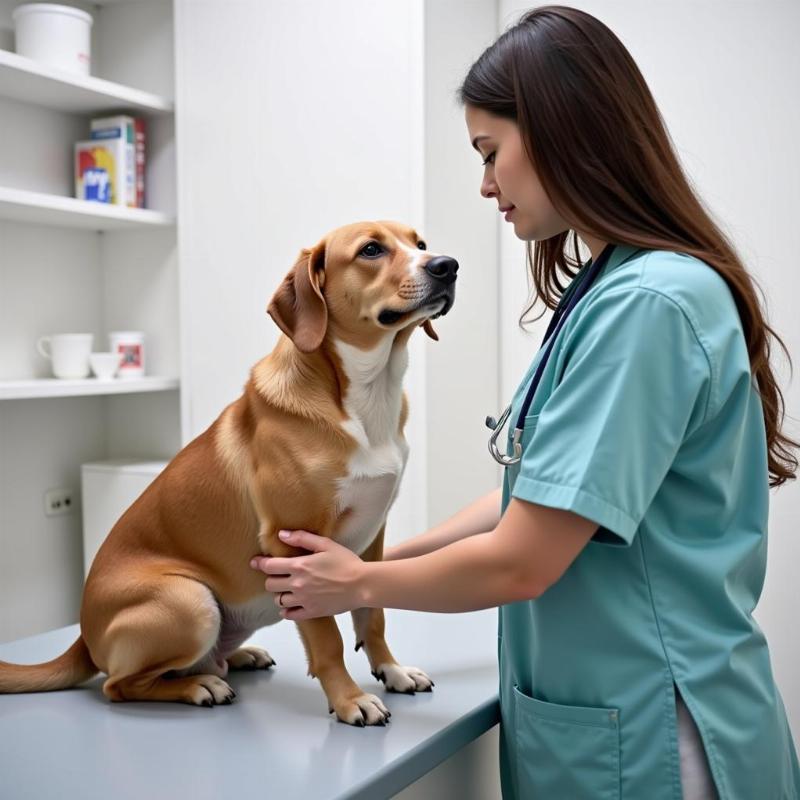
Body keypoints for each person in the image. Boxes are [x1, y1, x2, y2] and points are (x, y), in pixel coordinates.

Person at [250, 6, 800, 798]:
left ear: (560, 131)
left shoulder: (648, 304)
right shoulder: (615, 288)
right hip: (620, 715)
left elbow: (525, 556)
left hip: (656, 735)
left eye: (490, 153)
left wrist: (360, 586)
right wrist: (381, 555)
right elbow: (538, 490)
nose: (484, 185)